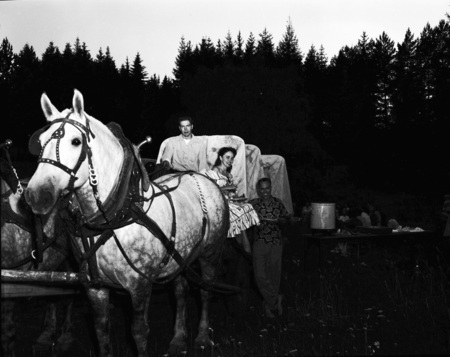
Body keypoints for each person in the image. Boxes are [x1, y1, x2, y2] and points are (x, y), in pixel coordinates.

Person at [203, 147, 260, 254]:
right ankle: (245, 245)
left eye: (232, 158)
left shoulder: (229, 174)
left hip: (230, 201)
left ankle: (244, 243)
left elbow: (231, 193)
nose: (230, 160)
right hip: (218, 202)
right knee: (239, 212)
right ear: (220, 157)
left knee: (247, 206)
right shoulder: (214, 171)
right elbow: (211, 189)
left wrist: (237, 197)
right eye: (227, 157)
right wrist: (226, 189)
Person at [250, 177, 291, 318]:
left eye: (267, 188)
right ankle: (275, 299)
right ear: (258, 190)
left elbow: (286, 220)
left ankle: (268, 306)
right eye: (262, 188)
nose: (265, 191)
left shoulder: (278, 203)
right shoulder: (253, 204)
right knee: (260, 275)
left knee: (274, 275)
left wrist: (279, 221)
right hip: (260, 241)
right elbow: (244, 217)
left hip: (275, 242)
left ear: (271, 188)